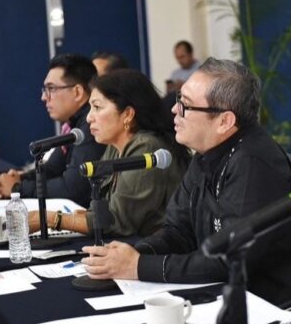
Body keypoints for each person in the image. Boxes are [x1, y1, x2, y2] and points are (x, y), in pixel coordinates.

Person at [80, 58, 291, 305]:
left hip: (283, 308)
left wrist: (139, 266)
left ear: (224, 121)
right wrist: (132, 255)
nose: (174, 110)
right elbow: (179, 231)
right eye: (178, 99)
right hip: (231, 295)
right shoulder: (206, 153)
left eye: (186, 105)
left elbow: (229, 258)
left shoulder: (254, 165)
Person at [33, 69, 188, 237]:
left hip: (153, 248)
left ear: (128, 114)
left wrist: (51, 219)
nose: (89, 118)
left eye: (97, 107)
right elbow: (99, 209)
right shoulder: (115, 146)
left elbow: (115, 222)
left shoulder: (147, 146)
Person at [0, 54, 105, 207]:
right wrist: (18, 178)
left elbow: (72, 189)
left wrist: (18, 188)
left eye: (51, 89)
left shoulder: (91, 125)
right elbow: (53, 169)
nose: (44, 97)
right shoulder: (74, 123)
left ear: (77, 92)